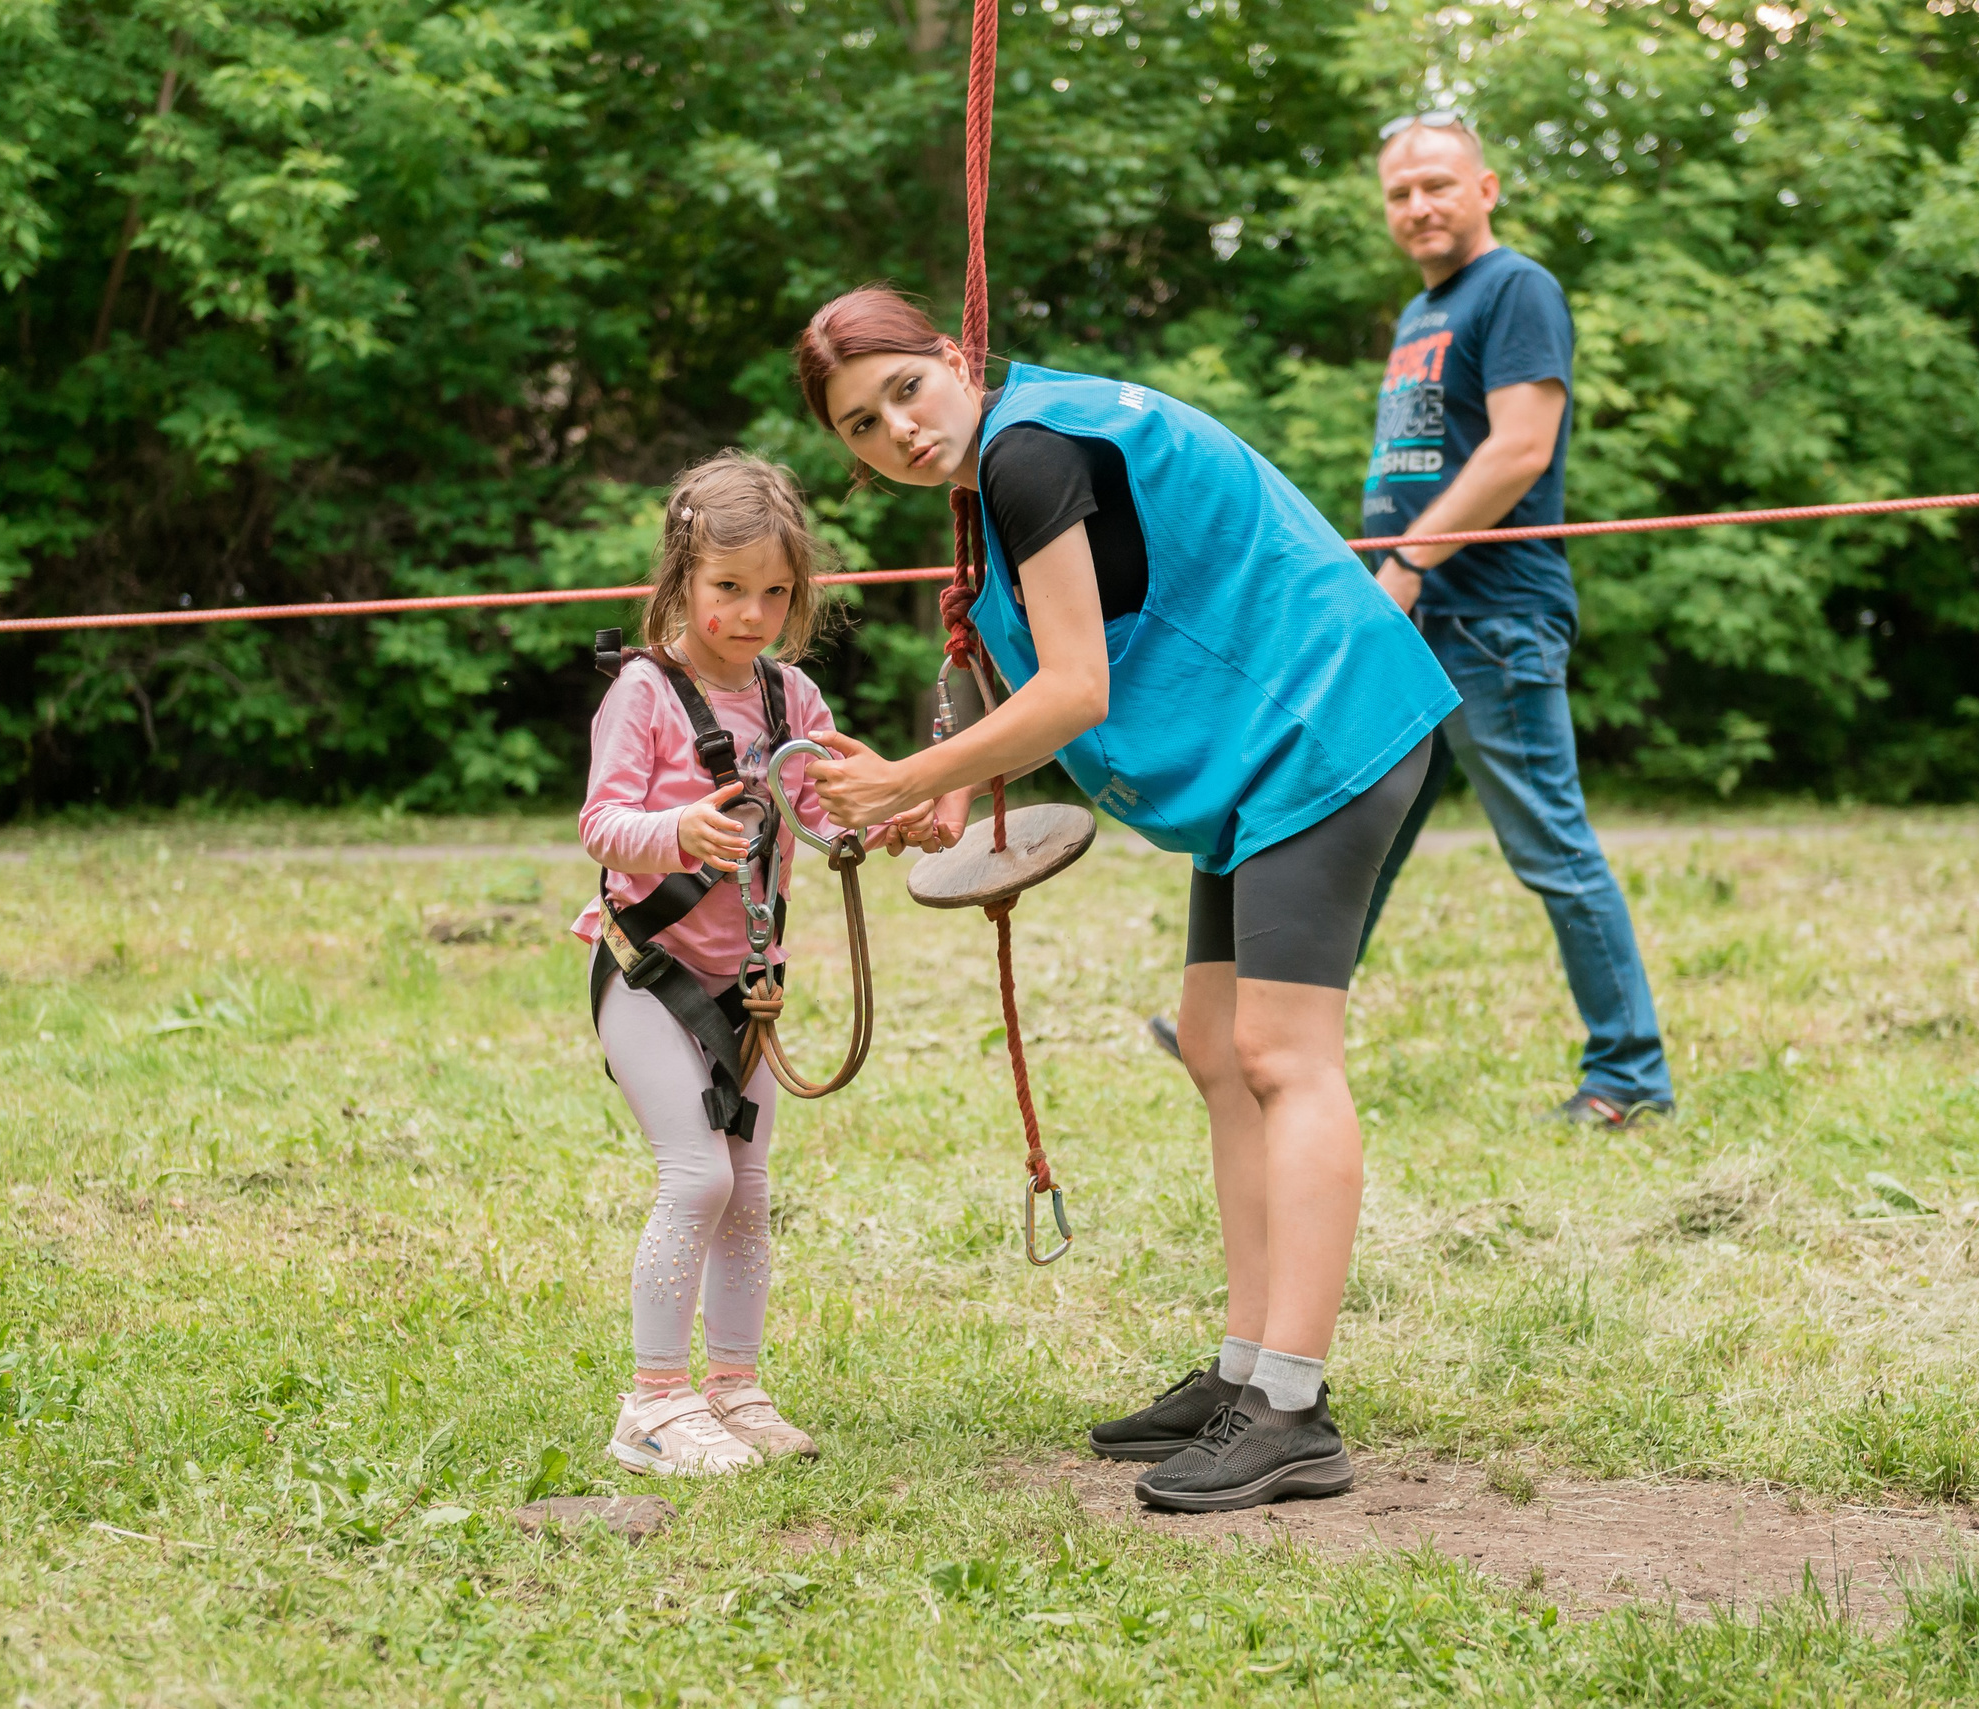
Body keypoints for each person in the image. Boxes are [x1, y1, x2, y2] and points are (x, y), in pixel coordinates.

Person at [794, 289, 1459, 1513]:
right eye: (860, 425)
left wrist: (911, 772)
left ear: (955, 358)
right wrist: (958, 787)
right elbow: (1074, 656)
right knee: (1216, 1043)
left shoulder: (1028, 457)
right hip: (1263, 750)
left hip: (1325, 723)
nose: (896, 429)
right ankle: (1248, 1368)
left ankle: (1296, 1412)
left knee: (1281, 1052)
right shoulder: (1010, 460)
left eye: (905, 388)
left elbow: (1078, 689)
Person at [576, 452, 909, 1475]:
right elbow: (603, 823)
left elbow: (816, 804)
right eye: (728, 589)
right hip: (649, 974)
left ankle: (732, 1384)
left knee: (749, 1187)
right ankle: (652, 1402)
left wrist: (888, 815)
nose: (750, 612)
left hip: (747, 980)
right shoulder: (643, 693)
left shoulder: (789, 695)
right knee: (696, 1175)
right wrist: (679, 829)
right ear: (680, 580)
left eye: (773, 592)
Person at [1358, 110, 1674, 1126]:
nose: (1418, 205)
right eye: (1400, 192)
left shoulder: (1515, 288)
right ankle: (1274, 1024)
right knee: (1361, 833)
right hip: (1414, 618)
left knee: (1549, 843)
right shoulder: (1421, 313)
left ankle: (1628, 1076)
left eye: (1438, 185)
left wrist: (1407, 560)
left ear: (1485, 188)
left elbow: (1517, 450)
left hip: (1489, 618)